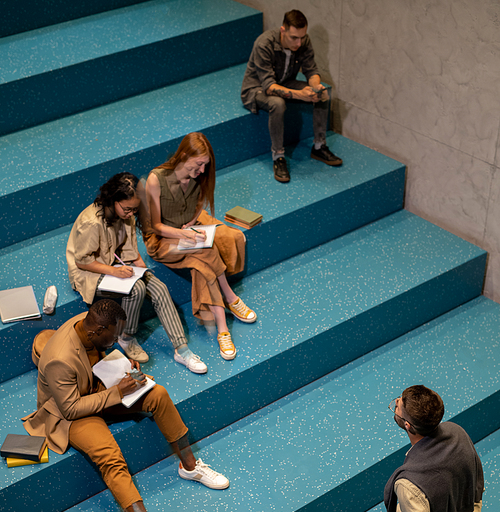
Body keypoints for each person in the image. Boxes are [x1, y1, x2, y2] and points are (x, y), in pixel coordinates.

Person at [23, 300, 230, 512]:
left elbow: (102, 354)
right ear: (96, 331)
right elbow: (70, 409)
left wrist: (124, 365)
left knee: (158, 394)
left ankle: (190, 467)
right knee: (111, 457)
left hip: (97, 386)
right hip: (70, 414)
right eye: (112, 338)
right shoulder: (59, 360)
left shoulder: (90, 321)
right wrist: (116, 393)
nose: (115, 342)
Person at [66, 172, 207, 374]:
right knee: (136, 290)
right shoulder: (92, 222)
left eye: (134, 209)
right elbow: (82, 261)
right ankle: (126, 336)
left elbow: (130, 250)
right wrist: (114, 273)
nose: (131, 213)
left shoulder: (126, 215)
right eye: (127, 209)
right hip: (88, 271)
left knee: (158, 287)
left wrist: (145, 272)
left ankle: (182, 350)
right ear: (113, 200)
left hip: (114, 262)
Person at [145, 132, 257, 361]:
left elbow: (199, 204)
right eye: (199, 164)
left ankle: (223, 324)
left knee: (215, 250)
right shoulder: (156, 179)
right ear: (184, 155)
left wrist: (194, 222)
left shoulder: (198, 178)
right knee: (207, 250)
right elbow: (155, 226)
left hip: (186, 228)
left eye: (205, 165)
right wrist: (182, 233)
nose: (203, 170)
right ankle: (229, 306)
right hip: (163, 239)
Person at [241, 9, 342, 183]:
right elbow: (269, 86)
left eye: (301, 37)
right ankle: (278, 156)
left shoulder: (303, 41)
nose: (298, 42)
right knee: (278, 104)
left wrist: (316, 86)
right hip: (257, 88)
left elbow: (311, 70)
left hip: (285, 81)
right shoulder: (264, 44)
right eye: (293, 38)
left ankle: (319, 146)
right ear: (283, 30)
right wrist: (300, 95)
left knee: (322, 94)